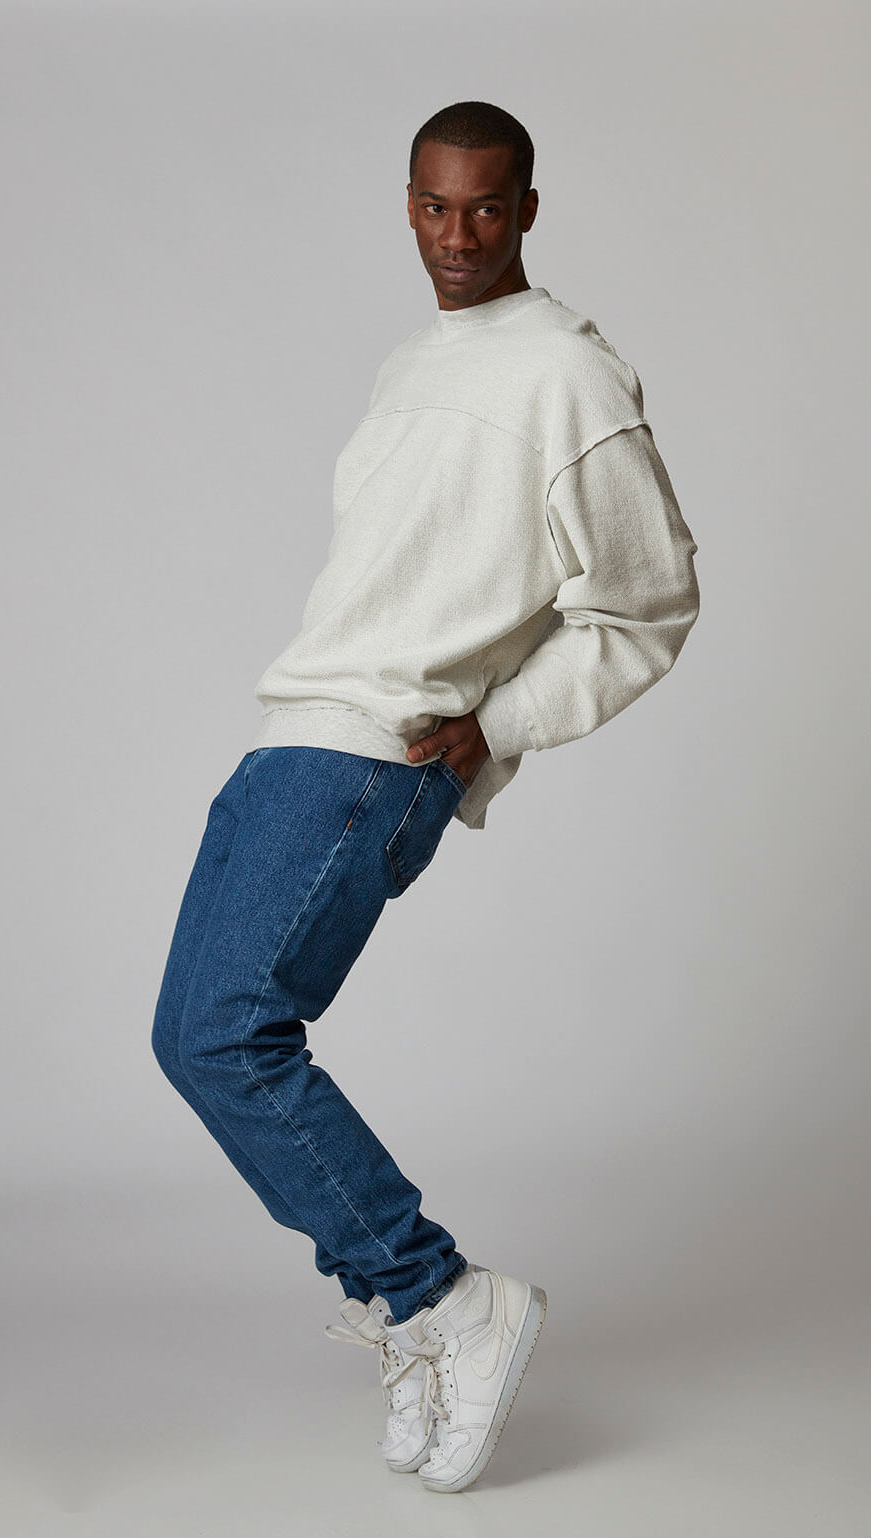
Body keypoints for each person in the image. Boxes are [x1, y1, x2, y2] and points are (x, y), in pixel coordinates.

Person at [152, 100, 700, 1495]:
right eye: (435, 205)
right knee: (192, 1033)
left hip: (370, 756)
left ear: (528, 210)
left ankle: (442, 1295)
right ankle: (411, 1307)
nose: (458, 234)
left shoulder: (566, 373)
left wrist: (499, 723)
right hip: (293, 731)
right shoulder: (413, 361)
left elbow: (647, 603)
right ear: (407, 204)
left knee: (226, 1036)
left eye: (486, 207)